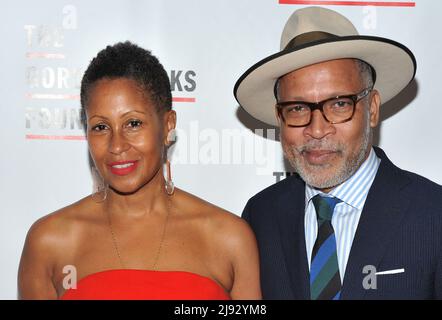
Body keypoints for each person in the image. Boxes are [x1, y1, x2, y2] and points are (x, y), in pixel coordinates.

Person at [18, 41, 261, 300]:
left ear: (168, 125)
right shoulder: (50, 242)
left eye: (133, 123)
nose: (117, 145)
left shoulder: (229, 239)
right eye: (101, 127)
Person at [234, 7, 442, 299]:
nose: (317, 130)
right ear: (279, 118)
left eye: (339, 104)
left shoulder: (433, 214)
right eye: (297, 108)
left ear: (372, 109)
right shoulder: (261, 216)